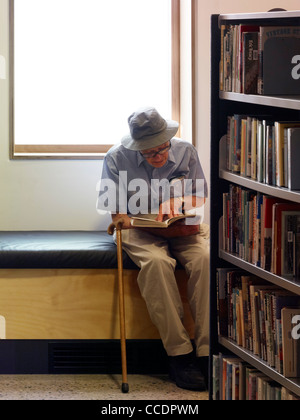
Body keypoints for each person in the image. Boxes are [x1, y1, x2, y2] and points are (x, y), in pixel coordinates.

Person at [97, 107, 209, 391]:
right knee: (158, 264)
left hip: (184, 228)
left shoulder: (186, 151)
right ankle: (180, 355)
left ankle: (208, 352)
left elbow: (198, 196)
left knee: (206, 260)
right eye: (149, 153)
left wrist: (178, 204)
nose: (158, 156)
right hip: (138, 230)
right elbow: (117, 216)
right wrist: (140, 218)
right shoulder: (115, 158)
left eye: (162, 149)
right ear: (137, 148)